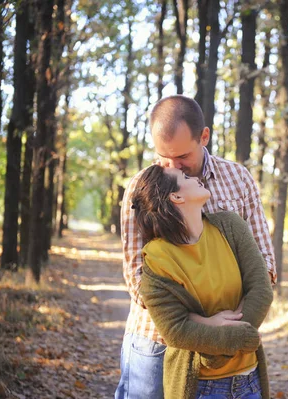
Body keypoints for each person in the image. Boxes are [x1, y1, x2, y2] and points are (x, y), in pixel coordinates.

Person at [115, 95, 276, 399]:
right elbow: (138, 280)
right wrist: (201, 325)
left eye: (182, 157)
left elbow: (265, 266)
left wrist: (229, 333)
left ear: (204, 137)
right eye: (164, 157)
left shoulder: (238, 180)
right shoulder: (142, 189)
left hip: (234, 350)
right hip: (157, 343)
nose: (173, 167)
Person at [132, 164, 273, 398]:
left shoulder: (230, 226)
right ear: (176, 196)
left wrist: (218, 350)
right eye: (185, 177)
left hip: (250, 381)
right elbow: (175, 330)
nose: (194, 177)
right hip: (200, 387)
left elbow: (261, 290)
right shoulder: (157, 258)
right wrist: (242, 339)